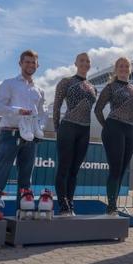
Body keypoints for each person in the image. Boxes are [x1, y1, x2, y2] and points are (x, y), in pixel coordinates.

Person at [0, 50, 46, 208]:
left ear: (37, 65)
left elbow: (43, 113)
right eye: (27, 62)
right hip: (10, 131)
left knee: (26, 175)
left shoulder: (39, 91)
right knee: (2, 170)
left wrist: (39, 127)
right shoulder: (8, 84)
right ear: (20, 63)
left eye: (33, 62)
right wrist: (17, 110)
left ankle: (23, 206)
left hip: (30, 135)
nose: (30, 65)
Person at [53, 53, 97, 215]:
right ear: (76, 63)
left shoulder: (93, 87)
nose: (85, 63)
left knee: (74, 170)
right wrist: (57, 128)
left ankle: (70, 202)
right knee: (63, 167)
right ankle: (62, 204)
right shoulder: (66, 82)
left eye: (87, 61)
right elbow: (56, 106)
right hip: (68, 127)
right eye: (82, 61)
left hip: (84, 130)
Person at [95, 57, 133, 214]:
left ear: (130, 69)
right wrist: (107, 126)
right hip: (114, 128)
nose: (123, 68)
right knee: (115, 168)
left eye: (126, 66)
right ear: (116, 69)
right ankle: (111, 206)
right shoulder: (110, 87)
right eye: (120, 66)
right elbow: (98, 109)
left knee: (122, 169)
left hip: (130, 129)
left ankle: (114, 204)